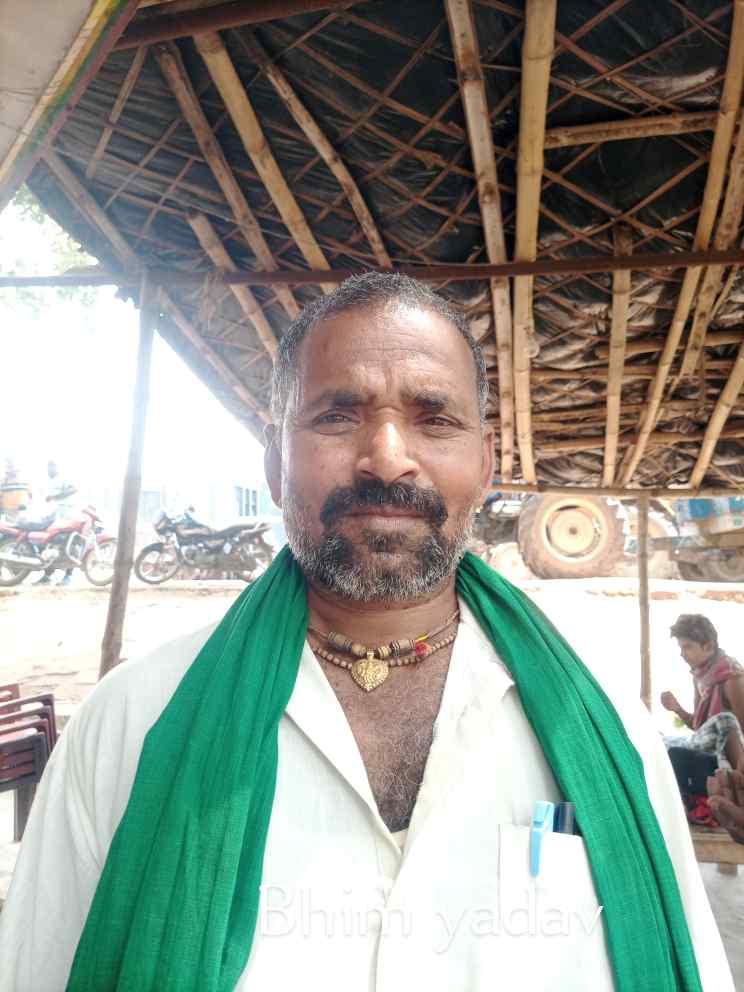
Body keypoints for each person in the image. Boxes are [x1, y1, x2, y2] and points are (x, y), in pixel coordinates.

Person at [0, 274, 732, 991]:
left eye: (434, 419)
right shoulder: (131, 725)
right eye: (337, 416)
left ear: (486, 464)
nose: (386, 456)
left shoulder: (607, 729)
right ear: (274, 462)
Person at [661, 614, 744, 823]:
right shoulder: (701, 676)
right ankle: (683, 805)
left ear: (708, 646)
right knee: (666, 747)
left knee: (724, 722)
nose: (682, 654)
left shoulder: (732, 678)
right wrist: (677, 709)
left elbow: (737, 729)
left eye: (687, 647)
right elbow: (700, 729)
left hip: (728, 764)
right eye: (680, 648)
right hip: (708, 755)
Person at [33, 460, 76, 587]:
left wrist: (55, 496)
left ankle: (68, 576)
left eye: (52, 467)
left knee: (67, 543)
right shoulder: (48, 481)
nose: (49, 470)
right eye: (48, 467)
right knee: (49, 544)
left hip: (65, 513)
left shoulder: (64, 478)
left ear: (57, 467)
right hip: (53, 515)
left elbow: (74, 489)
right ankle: (48, 576)